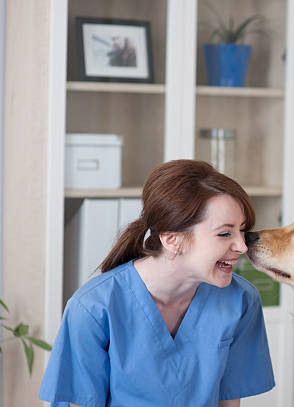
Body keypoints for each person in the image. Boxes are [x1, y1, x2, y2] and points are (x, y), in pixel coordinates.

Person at [39, 160, 275, 407]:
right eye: (225, 233)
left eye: (242, 230)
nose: (242, 246)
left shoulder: (240, 300)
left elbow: (228, 401)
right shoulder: (93, 308)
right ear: (172, 240)